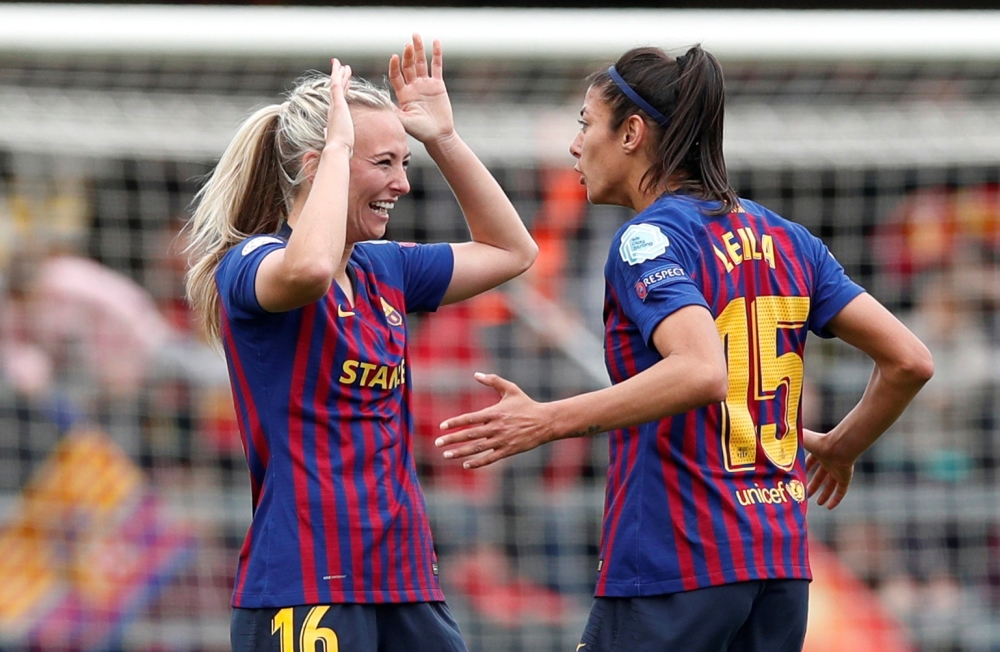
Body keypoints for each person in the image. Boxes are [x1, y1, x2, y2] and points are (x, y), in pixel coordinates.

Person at [435, 44, 933, 651]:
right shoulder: (790, 239)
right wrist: (839, 447)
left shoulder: (649, 239)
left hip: (677, 558)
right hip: (777, 564)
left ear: (632, 133)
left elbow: (701, 371)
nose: (575, 145)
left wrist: (548, 420)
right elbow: (909, 360)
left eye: (586, 124)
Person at [184, 35, 536, 652]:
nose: (401, 183)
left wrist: (443, 141)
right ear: (318, 164)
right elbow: (311, 268)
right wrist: (339, 144)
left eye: (405, 163)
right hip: (304, 578)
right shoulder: (250, 264)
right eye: (383, 163)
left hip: (403, 574)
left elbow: (513, 251)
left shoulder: (383, 267)